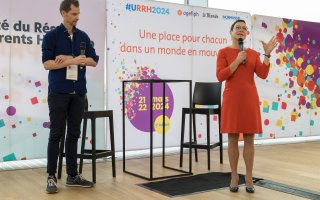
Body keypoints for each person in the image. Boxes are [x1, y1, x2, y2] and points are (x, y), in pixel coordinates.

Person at [42, 0, 99, 194]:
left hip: (78, 93)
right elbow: (48, 64)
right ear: (63, 13)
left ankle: (72, 175)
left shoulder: (83, 36)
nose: (77, 17)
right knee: (56, 134)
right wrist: (73, 60)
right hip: (58, 93)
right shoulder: (51, 36)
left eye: (78, 13)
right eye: (74, 13)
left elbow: (93, 61)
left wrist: (70, 59)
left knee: (74, 134)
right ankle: (51, 176)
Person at [216, 19, 277, 193]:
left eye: (244, 28)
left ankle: (249, 176)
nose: (241, 30)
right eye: (238, 28)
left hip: (249, 99)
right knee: (233, 137)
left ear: (247, 33)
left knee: (249, 138)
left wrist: (266, 55)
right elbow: (220, 76)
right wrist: (236, 61)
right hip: (232, 99)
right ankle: (234, 175)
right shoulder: (223, 52)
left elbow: (263, 74)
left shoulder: (252, 53)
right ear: (231, 32)